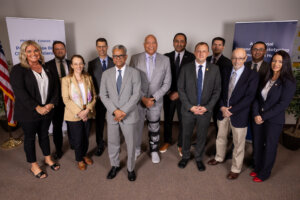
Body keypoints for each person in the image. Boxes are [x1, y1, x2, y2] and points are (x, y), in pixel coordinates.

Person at [10, 40, 60, 179]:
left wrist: (51, 104)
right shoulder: (18, 69)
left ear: (40, 52)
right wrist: (36, 107)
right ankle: (34, 165)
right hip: (28, 112)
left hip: (47, 110)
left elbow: (55, 88)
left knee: (44, 135)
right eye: (29, 51)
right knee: (30, 138)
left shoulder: (46, 67)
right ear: (24, 53)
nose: (33, 53)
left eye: (36, 50)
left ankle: (48, 158)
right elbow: (20, 92)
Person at [207, 48, 259, 180]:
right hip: (223, 112)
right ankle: (219, 157)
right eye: (234, 58)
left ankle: (235, 168)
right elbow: (219, 91)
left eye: (240, 58)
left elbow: (249, 97)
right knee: (221, 137)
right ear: (231, 58)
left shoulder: (252, 75)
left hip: (239, 114)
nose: (237, 61)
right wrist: (223, 107)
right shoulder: (225, 71)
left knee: (238, 143)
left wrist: (231, 110)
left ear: (245, 59)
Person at [251, 50, 296, 182]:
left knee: (270, 146)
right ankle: (257, 168)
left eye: (280, 61)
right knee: (258, 144)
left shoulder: (289, 82)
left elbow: (282, 104)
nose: (276, 64)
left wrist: (263, 116)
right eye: (274, 60)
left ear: (285, 63)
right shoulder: (266, 76)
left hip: (273, 120)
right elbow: (256, 98)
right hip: (258, 117)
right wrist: (255, 114)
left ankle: (264, 173)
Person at [177, 42, 221, 171]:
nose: (201, 53)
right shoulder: (185, 68)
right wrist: (190, 106)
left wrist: (207, 107)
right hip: (188, 110)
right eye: (198, 51)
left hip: (205, 111)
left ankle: (198, 158)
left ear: (208, 53)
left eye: (204, 51)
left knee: (202, 135)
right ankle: (185, 156)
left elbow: (217, 90)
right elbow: (181, 89)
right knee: (186, 134)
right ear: (195, 52)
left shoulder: (214, 69)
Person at [100, 45, 141, 181]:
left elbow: (136, 95)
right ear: (112, 57)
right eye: (115, 56)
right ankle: (115, 165)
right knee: (112, 142)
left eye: (120, 55)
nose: (118, 58)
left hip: (128, 114)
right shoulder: (106, 74)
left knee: (130, 144)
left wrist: (122, 111)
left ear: (126, 57)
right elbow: (103, 95)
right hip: (112, 115)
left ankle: (130, 168)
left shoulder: (134, 73)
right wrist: (115, 111)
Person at [130, 34, 171, 163]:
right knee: (137, 126)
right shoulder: (135, 58)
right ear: (144, 44)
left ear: (157, 44)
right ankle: (136, 149)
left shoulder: (165, 60)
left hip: (155, 102)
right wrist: (142, 98)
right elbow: (131, 81)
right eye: (148, 42)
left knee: (154, 127)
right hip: (138, 101)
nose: (151, 45)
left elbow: (167, 83)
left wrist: (153, 98)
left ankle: (154, 150)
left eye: (153, 42)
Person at [160, 33, 195, 156]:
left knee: (183, 121)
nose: (179, 43)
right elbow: (162, 77)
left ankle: (181, 144)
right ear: (173, 42)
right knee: (167, 120)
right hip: (168, 95)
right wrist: (169, 92)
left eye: (182, 41)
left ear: (185, 43)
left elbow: (192, 79)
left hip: (184, 96)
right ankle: (167, 141)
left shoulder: (192, 57)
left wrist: (179, 93)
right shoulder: (165, 57)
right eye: (176, 41)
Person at [61, 55, 96, 170]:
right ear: (71, 65)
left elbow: (94, 96)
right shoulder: (66, 80)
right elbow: (66, 99)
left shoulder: (88, 77)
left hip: (87, 112)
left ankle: (84, 154)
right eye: (75, 64)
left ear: (83, 64)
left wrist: (87, 110)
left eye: (80, 63)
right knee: (78, 138)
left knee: (86, 136)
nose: (78, 66)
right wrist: (80, 112)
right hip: (73, 114)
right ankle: (79, 159)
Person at [88, 38, 114, 157]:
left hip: (113, 100)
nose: (102, 49)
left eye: (104, 46)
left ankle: (114, 144)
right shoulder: (91, 64)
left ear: (107, 47)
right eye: (99, 46)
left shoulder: (115, 61)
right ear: (96, 48)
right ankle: (100, 144)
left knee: (113, 122)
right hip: (98, 100)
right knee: (99, 124)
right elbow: (90, 82)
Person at [46, 41, 71, 159]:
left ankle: (74, 144)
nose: (60, 51)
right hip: (56, 101)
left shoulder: (72, 63)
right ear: (53, 51)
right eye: (57, 49)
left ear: (65, 50)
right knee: (57, 126)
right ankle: (59, 149)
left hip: (71, 100)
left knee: (72, 124)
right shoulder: (47, 65)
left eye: (62, 48)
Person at [207, 37, 232, 132]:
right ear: (212, 46)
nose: (216, 47)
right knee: (203, 122)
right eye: (215, 44)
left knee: (219, 124)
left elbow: (227, 84)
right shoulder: (206, 59)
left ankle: (219, 146)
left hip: (219, 98)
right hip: (206, 98)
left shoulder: (228, 62)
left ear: (223, 47)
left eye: (219, 45)